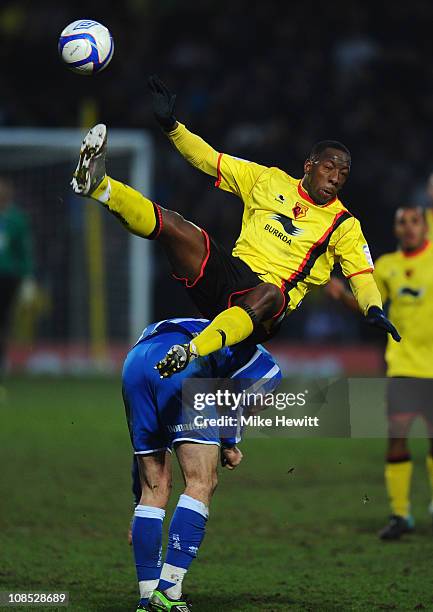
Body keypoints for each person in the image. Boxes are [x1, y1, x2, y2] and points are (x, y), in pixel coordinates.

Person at [71, 79, 400, 378]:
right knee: (177, 226)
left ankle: (191, 351)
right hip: (230, 276)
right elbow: (208, 159)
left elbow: (361, 276)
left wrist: (373, 308)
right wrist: (171, 126)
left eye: (343, 175)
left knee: (272, 292)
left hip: (266, 311)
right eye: (329, 168)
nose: (335, 179)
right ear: (309, 165)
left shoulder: (344, 224)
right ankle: (100, 186)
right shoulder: (267, 180)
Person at [122, 316, 281, 611]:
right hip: (185, 369)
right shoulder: (267, 366)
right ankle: (169, 591)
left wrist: (137, 506)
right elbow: (238, 397)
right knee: (200, 481)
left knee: (153, 488)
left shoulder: (213, 327)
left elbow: (141, 465)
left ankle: (147, 596)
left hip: (135, 362)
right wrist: (231, 442)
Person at [326, 205, 433, 539]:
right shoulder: (386, 267)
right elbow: (370, 309)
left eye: (415, 221)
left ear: (425, 225)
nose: (410, 227)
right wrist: (342, 294)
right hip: (402, 366)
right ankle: (401, 514)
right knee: (397, 440)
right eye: (403, 222)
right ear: (396, 229)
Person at [0, 177, 35, 380]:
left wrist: (27, 277)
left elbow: (24, 251)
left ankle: (3, 361)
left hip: (7, 277)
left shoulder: (16, 220)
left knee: (4, 320)